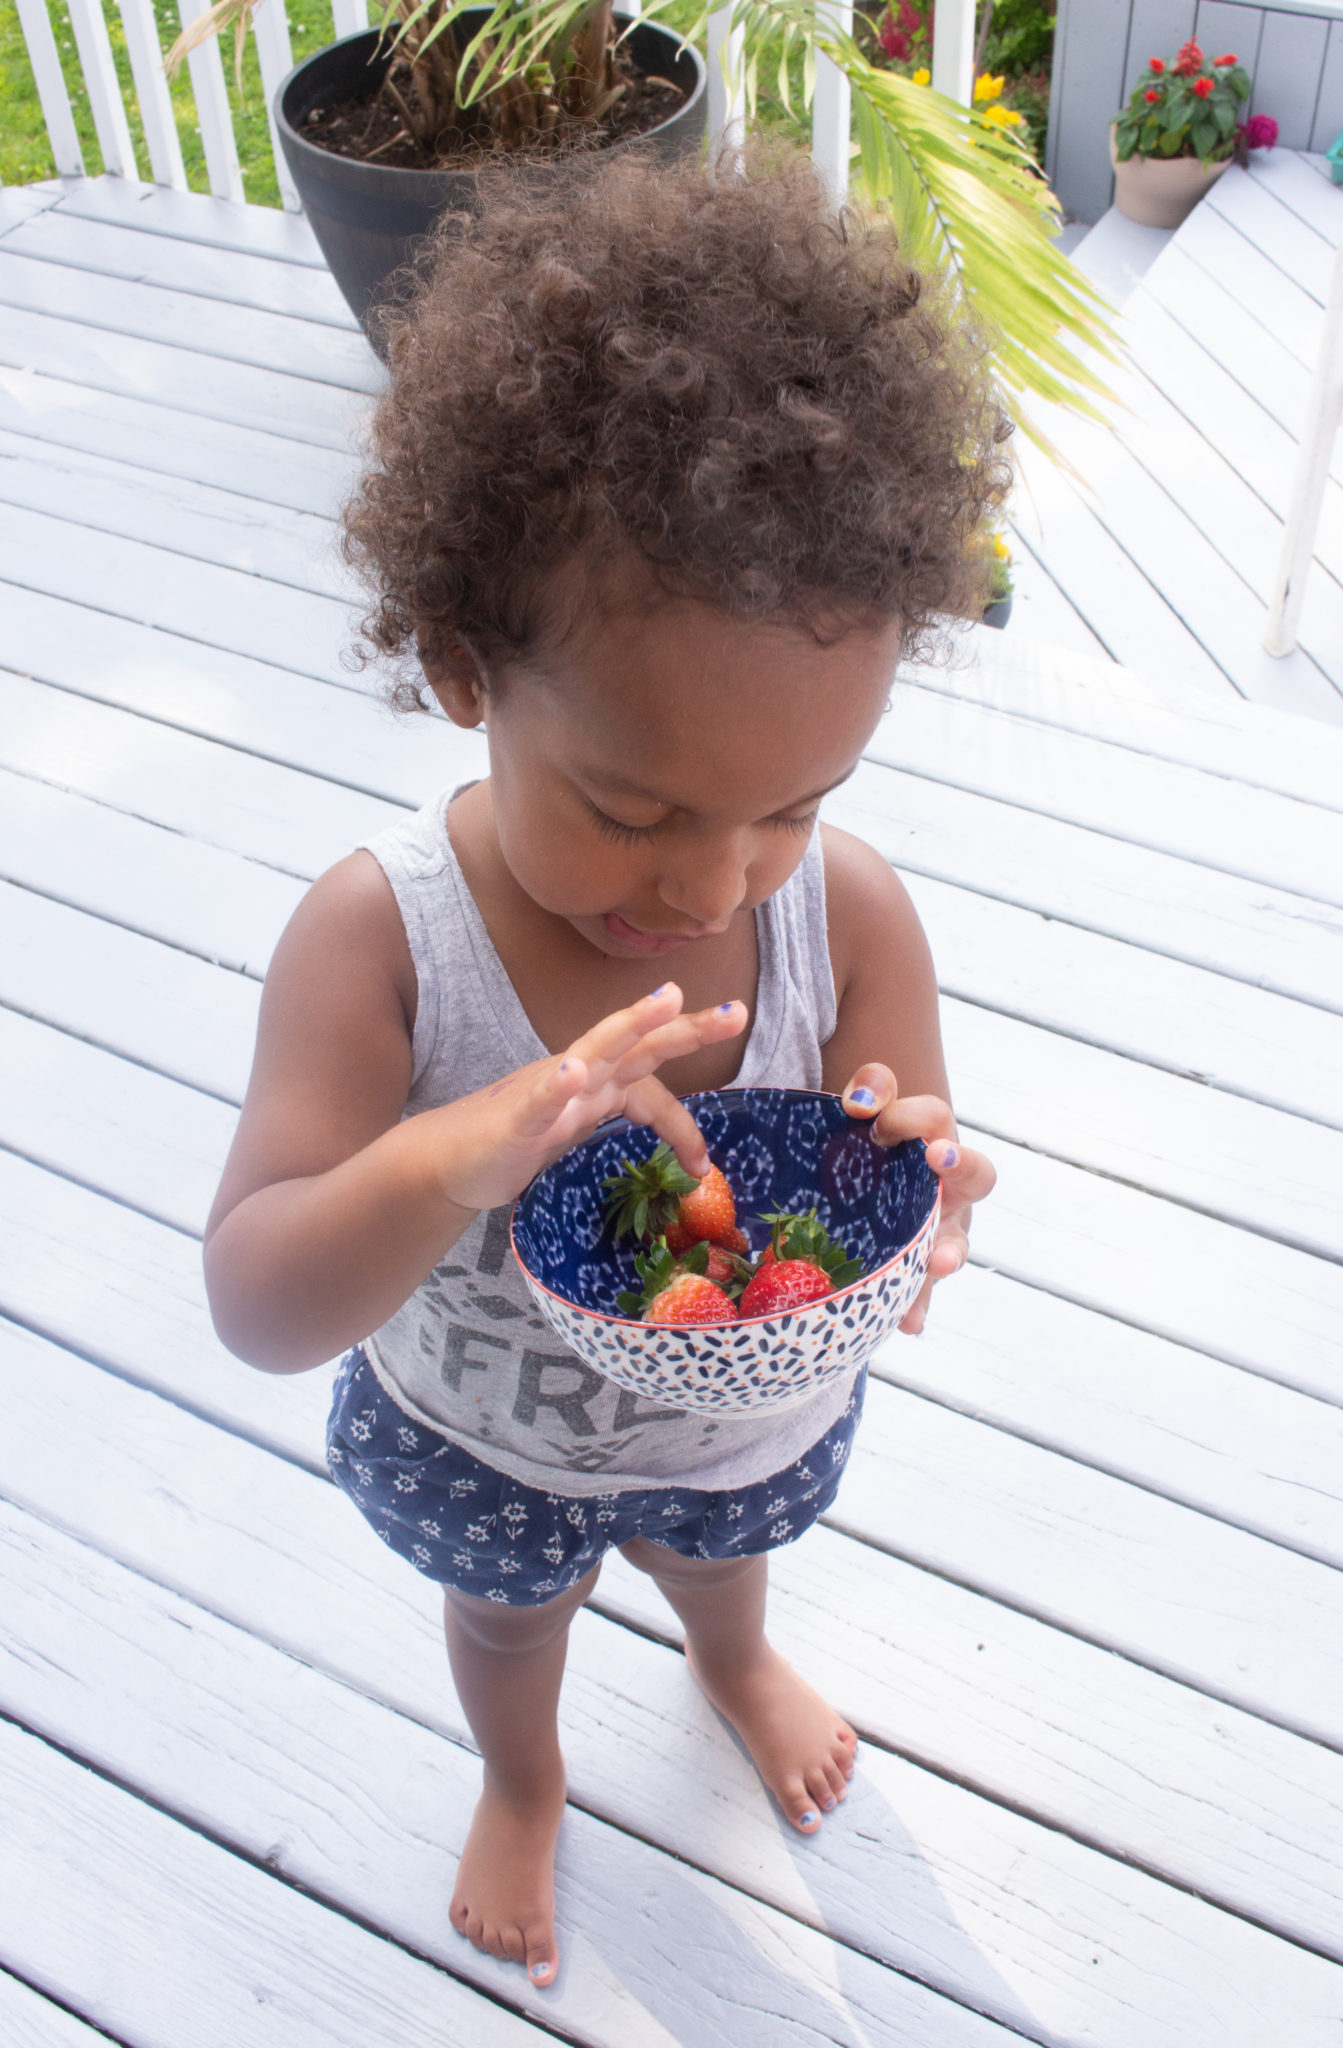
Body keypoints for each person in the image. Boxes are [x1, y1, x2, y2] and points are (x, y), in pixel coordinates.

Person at [203, 146, 1002, 1993]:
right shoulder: (379, 942)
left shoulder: (849, 916)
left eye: (794, 805)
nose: (716, 883)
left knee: (724, 1564)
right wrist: (451, 1155)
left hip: (742, 1424)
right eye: (635, 810)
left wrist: (931, 1187)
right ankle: (526, 1771)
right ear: (468, 669)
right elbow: (257, 1298)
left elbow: (902, 1132)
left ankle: (725, 1654)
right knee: (508, 1621)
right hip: (482, 1444)